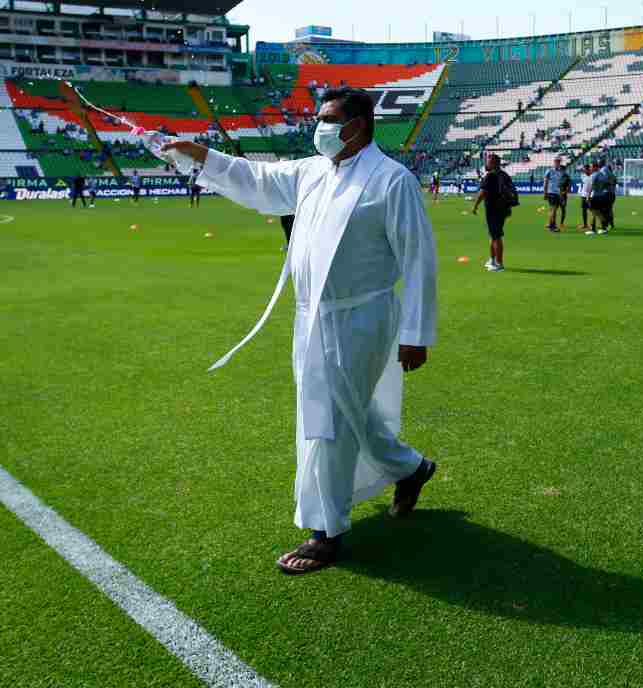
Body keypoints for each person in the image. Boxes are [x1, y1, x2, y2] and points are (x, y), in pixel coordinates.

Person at [160, 88, 438, 575]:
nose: (321, 127)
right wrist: (199, 154)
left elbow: (418, 259)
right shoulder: (310, 173)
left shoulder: (392, 181)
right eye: (320, 117)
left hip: (362, 316)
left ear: (358, 125)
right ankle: (412, 468)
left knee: (325, 419)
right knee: (344, 411)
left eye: (329, 119)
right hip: (310, 315)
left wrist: (417, 332)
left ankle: (325, 532)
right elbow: (256, 178)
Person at [472, 154, 511, 271]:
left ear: (494, 163)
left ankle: (499, 264)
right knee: (493, 235)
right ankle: (492, 260)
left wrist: (475, 206)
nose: (486, 164)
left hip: (493, 210)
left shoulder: (490, 176)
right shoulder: (505, 175)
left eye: (488, 162)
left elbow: (483, 192)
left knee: (496, 236)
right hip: (503, 209)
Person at [542, 157, 568, 233]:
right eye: (557, 161)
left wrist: (560, 194)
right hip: (552, 193)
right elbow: (545, 182)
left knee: (552, 209)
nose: (558, 162)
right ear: (554, 162)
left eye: (559, 161)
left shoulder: (561, 172)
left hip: (556, 193)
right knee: (553, 210)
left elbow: (560, 184)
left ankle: (551, 225)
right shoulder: (549, 171)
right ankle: (552, 226)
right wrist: (545, 193)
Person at [586, 161, 611, 236]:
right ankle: (604, 228)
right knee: (599, 213)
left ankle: (592, 229)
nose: (590, 168)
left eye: (591, 167)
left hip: (594, 196)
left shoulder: (594, 175)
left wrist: (588, 196)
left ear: (595, 167)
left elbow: (591, 186)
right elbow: (607, 184)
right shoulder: (602, 174)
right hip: (601, 195)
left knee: (592, 212)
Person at [579, 164, 594, 230]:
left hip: (591, 195)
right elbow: (583, 184)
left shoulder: (593, 176)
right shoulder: (582, 175)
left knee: (591, 211)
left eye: (585, 169)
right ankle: (585, 224)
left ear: (588, 169)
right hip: (583, 195)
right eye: (584, 169)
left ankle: (591, 225)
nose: (584, 170)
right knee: (584, 210)